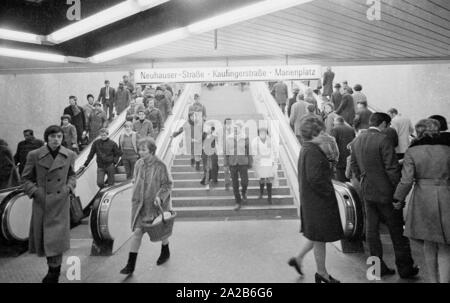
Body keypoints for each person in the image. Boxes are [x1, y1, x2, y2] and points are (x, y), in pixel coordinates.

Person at [351, 112, 419, 279]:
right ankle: (405, 269)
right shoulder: (383, 140)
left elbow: (354, 166)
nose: (387, 129)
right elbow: (392, 169)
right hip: (387, 193)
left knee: (371, 230)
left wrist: (364, 180)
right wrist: (398, 195)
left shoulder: (357, 140)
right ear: (382, 124)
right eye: (387, 126)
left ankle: (376, 268)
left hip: (368, 191)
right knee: (396, 231)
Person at [393, 119, 450, 283]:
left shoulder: (413, 151)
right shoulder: (447, 149)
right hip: (447, 195)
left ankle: (433, 280)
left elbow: (406, 180)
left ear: (419, 132)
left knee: (429, 243)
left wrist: (398, 198)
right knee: (446, 245)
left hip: (423, 198)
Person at [288, 116, 343, 283]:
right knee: (319, 236)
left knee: (316, 236)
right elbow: (315, 178)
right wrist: (329, 192)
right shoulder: (312, 151)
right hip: (318, 202)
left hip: (312, 201)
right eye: (320, 132)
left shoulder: (307, 148)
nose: (323, 134)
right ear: (313, 134)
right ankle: (322, 274)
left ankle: (299, 259)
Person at [21, 125, 77, 283]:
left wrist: (68, 188)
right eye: (53, 137)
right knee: (47, 239)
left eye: (59, 136)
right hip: (43, 203)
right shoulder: (34, 155)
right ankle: (53, 270)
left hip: (60, 202)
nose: (56, 140)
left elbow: (72, 176)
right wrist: (36, 192)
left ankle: (54, 272)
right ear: (47, 138)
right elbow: (25, 179)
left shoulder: (70, 155)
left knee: (56, 239)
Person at [120, 137, 173, 275]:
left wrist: (159, 198)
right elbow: (135, 178)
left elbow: (167, 184)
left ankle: (165, 250)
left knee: (161, 231)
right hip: (140, 206)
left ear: (151, 150)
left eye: (144, 150)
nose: (140, 152)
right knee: (137, 233)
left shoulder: (160, 165)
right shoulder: (138, 163)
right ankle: (130, 265)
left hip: (155, 206)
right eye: (140, 149)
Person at [224, 121, 252, 210]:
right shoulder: (228, 138)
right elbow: (226, 153)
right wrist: (225, 164)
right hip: (232, 163)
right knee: (235, 183)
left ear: (241, 128)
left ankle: (243, 192)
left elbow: (249, 151)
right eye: (234, 128)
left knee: (245, 181)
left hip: (243, 162)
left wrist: (250, 162)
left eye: (238, 128)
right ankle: (238, 201)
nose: (236, 129)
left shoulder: (245, 138)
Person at [251, 124, 278, 204]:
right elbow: (253, 151)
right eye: (260, 132)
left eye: (264, 132)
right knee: (262, 179)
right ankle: (261, 193)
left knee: (269, 180)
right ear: (258, 132)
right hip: (260, 162)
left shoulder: (270, 141)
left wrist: (273, 161)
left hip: (268, 162)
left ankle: (269, 197)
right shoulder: (255, 141)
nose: (262, 133)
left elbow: (273, 151)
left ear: (266, 132)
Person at [331, 116, 355, 182]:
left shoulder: (335, 129)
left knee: (340, 177)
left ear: (336, 121)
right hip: (349, 154)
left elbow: (333, 143)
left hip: (340, 156)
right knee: (348, 175)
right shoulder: (351, 129)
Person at [201, 124, 219, 190]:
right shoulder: (203, 135)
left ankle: (214, 178)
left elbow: (217, 142)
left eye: (210, 128)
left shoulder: (214, 135)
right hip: (206, 154)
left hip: (213, 153)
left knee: (215, 166)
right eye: (207, 128)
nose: (209, 129)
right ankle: (207, 183)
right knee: (207, 169)